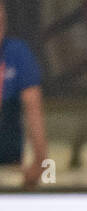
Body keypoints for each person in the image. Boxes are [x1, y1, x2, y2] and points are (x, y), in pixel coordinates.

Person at [0, 1, 48, 188]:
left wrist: (41, 161)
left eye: (2, 20)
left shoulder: (17, 52)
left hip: (10, 161)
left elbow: (33, 110)